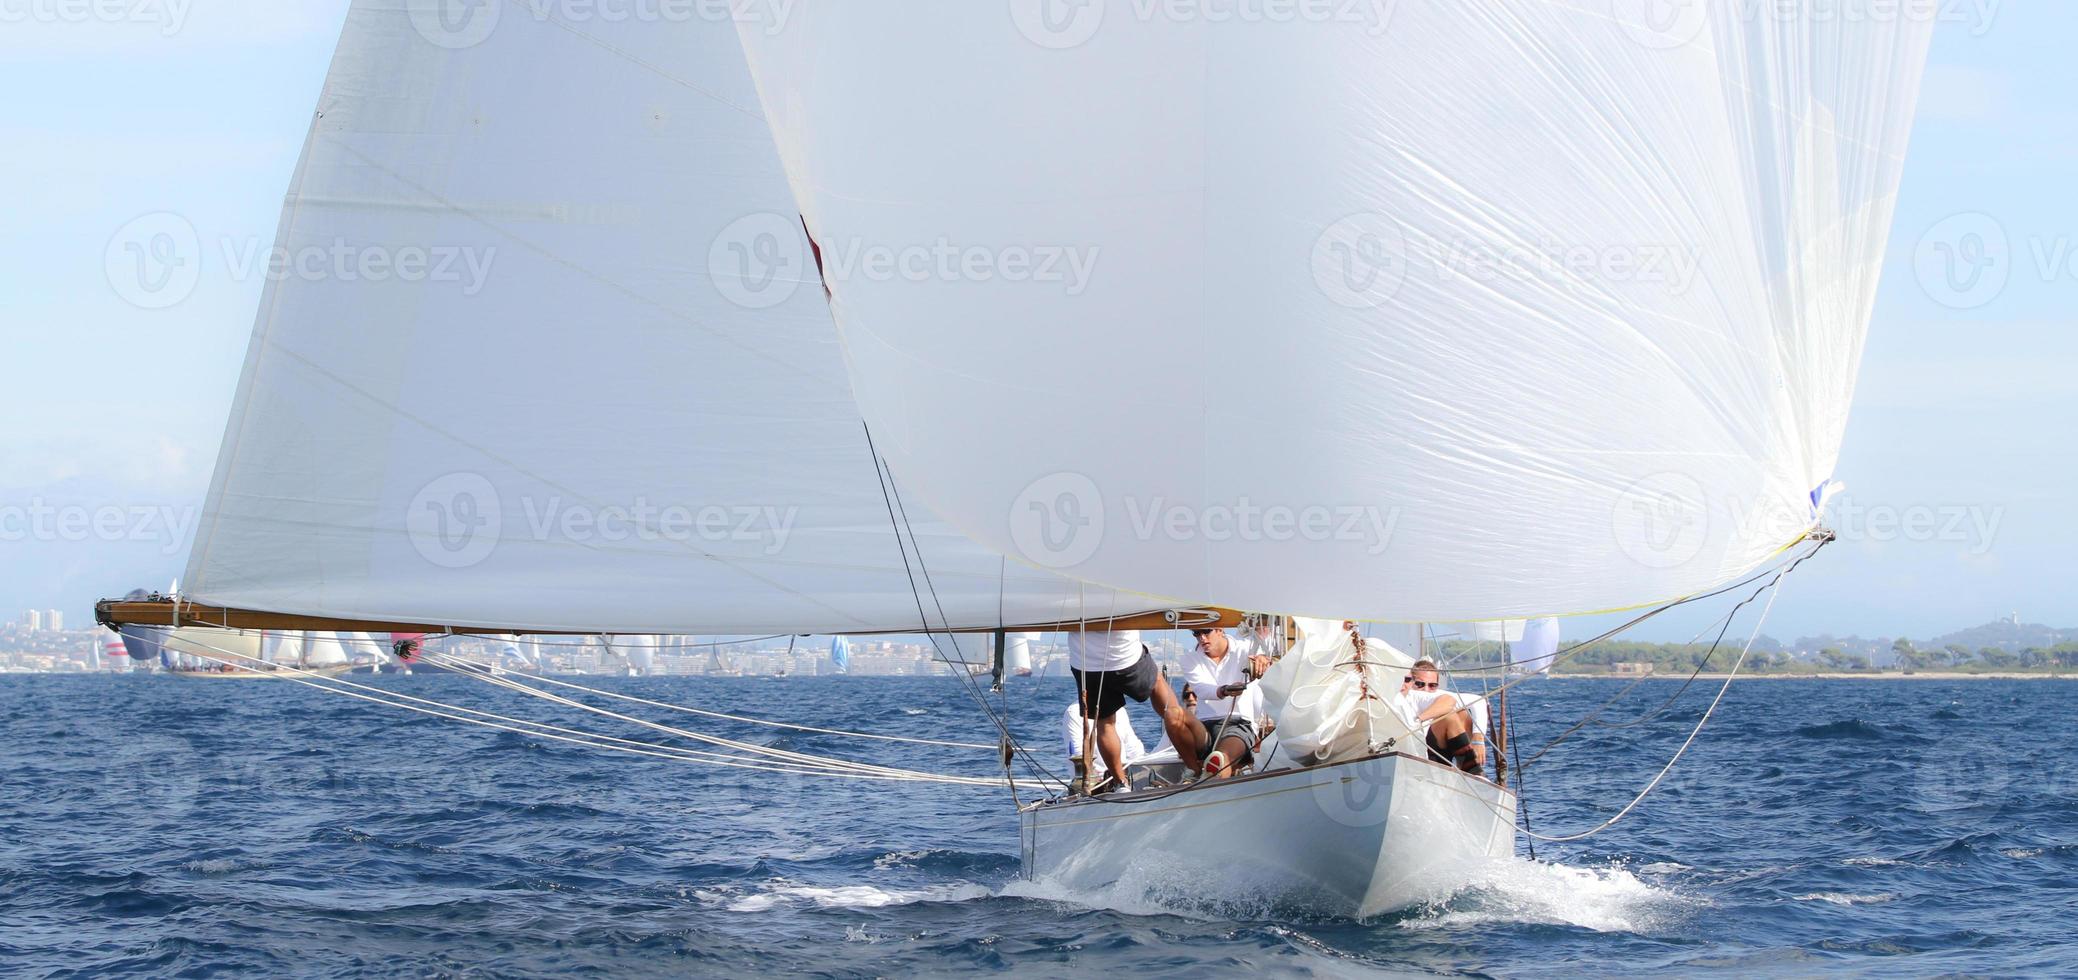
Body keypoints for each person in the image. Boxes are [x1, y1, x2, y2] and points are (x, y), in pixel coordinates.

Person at [1068, 629, 1185, 793]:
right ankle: (1193, 763)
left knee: (1105, 723)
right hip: (1122, 654)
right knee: (1157, 681)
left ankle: (1121, 784)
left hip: (1086, 663)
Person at [1167, 627, 1276, 778]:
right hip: (1204, 727)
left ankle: (1208, 779)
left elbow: (1265, 640)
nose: (1202, 638)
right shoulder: (1189, 659)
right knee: (1172, 713)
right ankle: (1194, 770)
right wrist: (1224, 691)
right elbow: (1201, 689)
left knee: (1221, 759)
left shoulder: (1246, 648)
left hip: (1239, 724)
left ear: (1220, 630)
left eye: (1206, 632)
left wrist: (1263, 659)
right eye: (1196, 633)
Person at [1402, 658, 1489, 775]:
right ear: (1411, 682)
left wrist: (1478, 740)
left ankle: (1470, 771)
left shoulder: (1436, 696)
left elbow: (1478, 701)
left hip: (1435, 756)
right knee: (1450, 715)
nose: (1426, 690)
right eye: (1420, 684)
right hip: (1407, 756)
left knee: (1459, 714)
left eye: (1432, 685)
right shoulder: (1409, 695)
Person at [1061, 701, 1147, 793]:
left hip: (1125, 781)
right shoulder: (1074, 712)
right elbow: (1078, 754)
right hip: (1096, 785)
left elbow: (1134, 751)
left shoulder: (1120, 711)